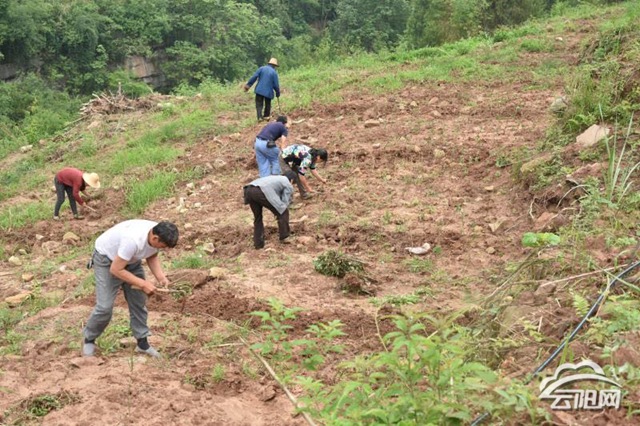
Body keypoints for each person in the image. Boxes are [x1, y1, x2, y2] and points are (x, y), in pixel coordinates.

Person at [82, 220, 179, 358]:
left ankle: (142, 344)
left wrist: (161, 277)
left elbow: (152, 254)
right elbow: (116, 269)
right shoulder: (132, 241)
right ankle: (89, 339)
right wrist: (143, 284)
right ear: (155, 238)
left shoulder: (158, 232)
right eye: (162, 246)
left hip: (130, 260)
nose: (162, 249)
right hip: (107, 260)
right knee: (104, 307)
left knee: (138, 302)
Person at [243, 171, 296, 249]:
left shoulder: (275, 178)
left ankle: (258, 244)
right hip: (261, 191)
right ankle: (284, 236)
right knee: (283, 212)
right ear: (292, 180)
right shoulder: (287, 182)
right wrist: (279, 211)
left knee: (258, 218)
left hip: (248, 190)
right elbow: (285, 202)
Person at [244, 58, 281, 122]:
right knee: (268, 104)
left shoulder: (261, 68)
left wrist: (248, 85)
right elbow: (276, 85)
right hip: (268, 92)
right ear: (274, 66)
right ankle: (266, 116)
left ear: (269, 63)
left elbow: (254, 77)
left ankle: (259, 117)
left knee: (259, 104)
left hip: (259, 90)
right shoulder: (274, 73)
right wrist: (277, 93)